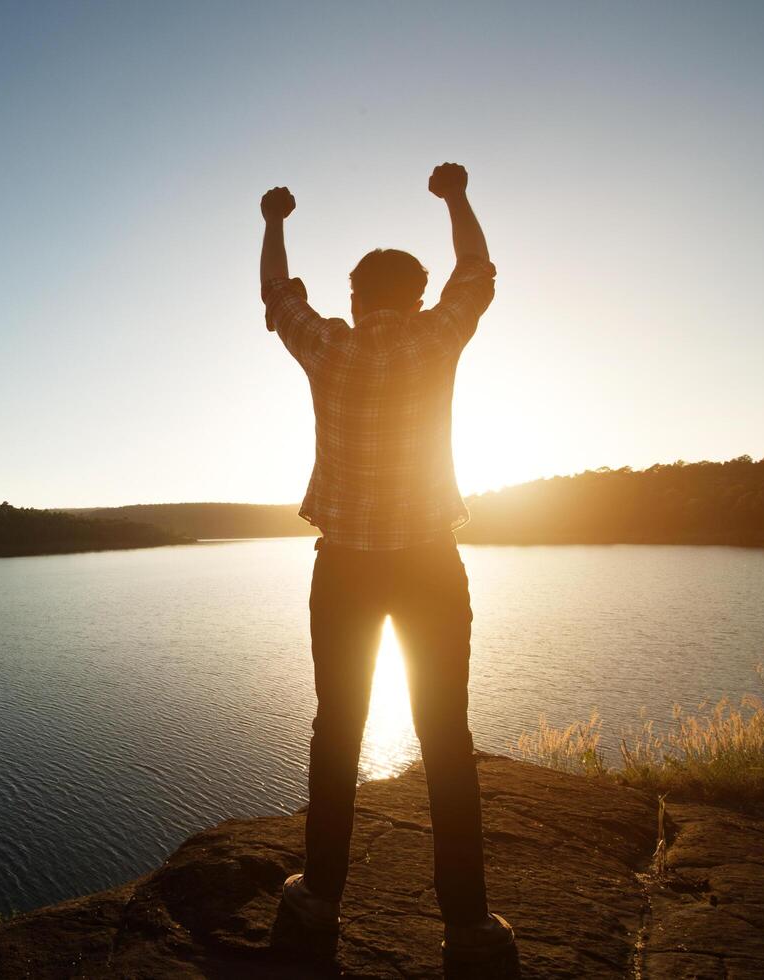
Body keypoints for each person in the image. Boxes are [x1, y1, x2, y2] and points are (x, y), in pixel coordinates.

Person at [259, 164, 516, 963]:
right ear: (416, 292)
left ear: (354, 294)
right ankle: (468, 927)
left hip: (343, 571)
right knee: (445, 734)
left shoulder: (328, 346)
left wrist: (273, 221)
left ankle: (318, 903)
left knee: (337, 728)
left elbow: (276, 300)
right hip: (430, 567)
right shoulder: (438, 335)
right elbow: (477, 272)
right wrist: (455, 197)